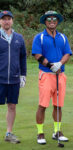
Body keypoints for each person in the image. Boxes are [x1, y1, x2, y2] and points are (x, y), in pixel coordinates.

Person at [32, 10, 72, 145]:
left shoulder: (63, 37)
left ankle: (57, 131)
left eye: (54, 19)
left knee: (58, 105)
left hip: (60, 75)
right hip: (46, 75)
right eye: (49, 19)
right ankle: (40, 132)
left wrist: (60, 63)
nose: (52, 21)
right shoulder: (40, 37)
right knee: (43, 105)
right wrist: (50, 65)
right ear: (45, 21)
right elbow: (37, 55)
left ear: (57, 21)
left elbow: (67, 53)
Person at [0, 10, 27, 144]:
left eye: (8, 19)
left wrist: (23, 75)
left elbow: (23, 58)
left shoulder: (19, 38)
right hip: (0, 78)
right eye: (3, 19)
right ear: (0, 21)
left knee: (12, 106)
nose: (6, 21)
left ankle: (9, 133)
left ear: (12, 21)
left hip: (14, 79)